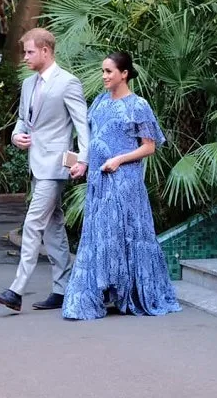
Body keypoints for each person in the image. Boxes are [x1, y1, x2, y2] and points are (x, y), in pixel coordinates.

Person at [62, 52, 181, 320]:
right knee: (99, 235)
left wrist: (119, 159)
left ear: (124, 73)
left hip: (124, 181)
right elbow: (92, 140)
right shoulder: (99, 103)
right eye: (103, 71)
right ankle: (101, 292)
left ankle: (131, 293)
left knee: (123, 233)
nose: (104, 76)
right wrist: (81, 164)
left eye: (109, 71)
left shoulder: (138, 105)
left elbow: (149, 147)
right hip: (98, 182)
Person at [0, 28, 89, 312]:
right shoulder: (28, 85)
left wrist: (82, 160)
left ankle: (16, 291)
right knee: (54, 227)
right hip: (36, 164)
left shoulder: (68, 83)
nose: (25, 57)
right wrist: (15, 136)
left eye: (30, 51)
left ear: (46, 51)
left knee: (33, 225)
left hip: (56, 167)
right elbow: (24, 121)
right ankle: (63, 288)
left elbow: (82, 126)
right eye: (25, 52)